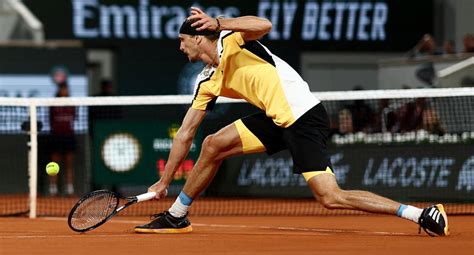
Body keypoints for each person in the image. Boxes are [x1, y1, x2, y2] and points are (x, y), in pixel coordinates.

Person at [135, 7, 449, 236]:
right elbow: (185, 133)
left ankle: (420, 213)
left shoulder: (232, 39)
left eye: (182, 40)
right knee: (212, 144)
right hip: (275, 120)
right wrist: (165, 182)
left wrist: (219, 22)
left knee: (330, 197)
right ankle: (177, 215)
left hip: (304, 118)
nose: (180, 47)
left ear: (199, 37)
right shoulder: (207, 82)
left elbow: (264, 23)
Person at [48, 82, 76, 196]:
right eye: (63, 89)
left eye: (66, 89)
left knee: (69, 164)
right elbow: (50, 120)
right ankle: (53, 189)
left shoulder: (72, 105)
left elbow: (74, 118)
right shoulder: (53, 104)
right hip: (56, 137)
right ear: (59, 90)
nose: (65, 91)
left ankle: (70, 190)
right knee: (54, 163)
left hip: (69, 137)